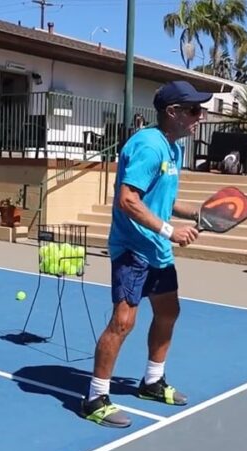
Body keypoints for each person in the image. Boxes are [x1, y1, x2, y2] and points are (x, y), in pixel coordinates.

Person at [81, 81, 212, 428]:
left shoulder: (173, 148)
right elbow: (128, 200)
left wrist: (196, 213)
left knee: (169, 311)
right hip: (132, 247)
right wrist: (170, 231)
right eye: (194, 110)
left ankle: (152, 382)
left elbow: (163, 201)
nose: (200, 117)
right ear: (173, 113)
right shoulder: (149, 147)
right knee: (123, 322)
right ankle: (95, 397)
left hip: (156, 248)